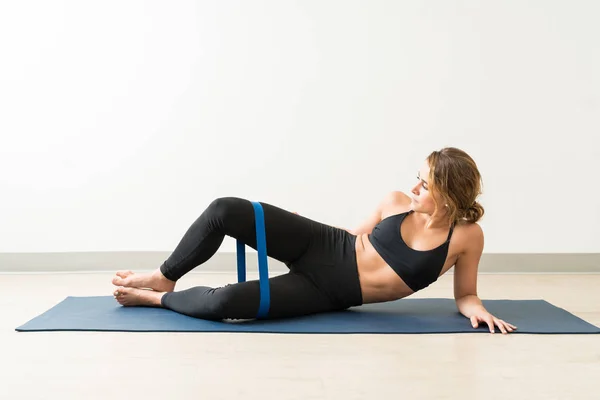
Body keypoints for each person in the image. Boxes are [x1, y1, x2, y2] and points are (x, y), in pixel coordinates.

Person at [112, 147, 517, 334]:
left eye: (424, 184)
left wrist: (477, 311)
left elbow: (465, 294)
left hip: (329, 289)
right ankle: (165, 277)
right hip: (324, 245)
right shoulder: (394, 202)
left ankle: (156, 298)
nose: (413, 187)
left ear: (447, 194)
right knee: (226, 209)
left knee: (225, 303)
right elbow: (352, 238)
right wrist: (288, 229)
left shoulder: (466, 236)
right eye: (417, 176)